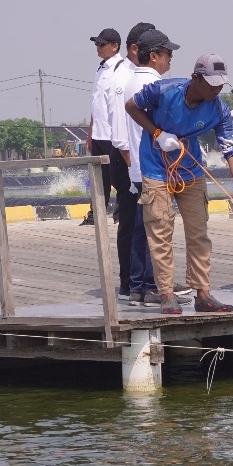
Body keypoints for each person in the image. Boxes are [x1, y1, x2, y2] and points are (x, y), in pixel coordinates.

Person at [125, 52, 233, 314]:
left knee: (198, 233)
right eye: (212, 82)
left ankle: (203, 293)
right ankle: (166, 294)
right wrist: (157, 133)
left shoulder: (218, 108)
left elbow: (231, 148)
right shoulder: (163, 91)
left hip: (191, 170)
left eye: (221, 83)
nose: (217, 88)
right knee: (161, 232)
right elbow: (131, 106)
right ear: (196, 77)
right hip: (156, 168)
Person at [112, 25, 174, 307]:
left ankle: (137, 287)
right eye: (167, 53)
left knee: (140, 228)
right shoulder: (155, 86)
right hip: (153, 167)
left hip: (135, 168)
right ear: (155, 56)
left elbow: (121, 136)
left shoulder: (128, 82)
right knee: (157, 230)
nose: (170, 59)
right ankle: (151, 286)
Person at [104, 22, 155, 298]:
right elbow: (121, 134)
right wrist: (135, 169)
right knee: (133, 223)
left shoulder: (136, 73)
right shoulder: (122, 78)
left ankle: (146, 278)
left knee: (144, 223)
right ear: (135, 48)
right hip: (127, 158)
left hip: (136, 157)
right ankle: (132, 282)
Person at [83, 27, 126, 225]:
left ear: (115, 46)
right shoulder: (101, 69)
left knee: (118, 176)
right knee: (99, 178)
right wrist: (90, 133)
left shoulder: (121, 69)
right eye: (96, 44)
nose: (97, 48)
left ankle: (121, 212)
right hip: (99, 133)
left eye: (101, 44)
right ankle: (95, 214)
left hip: (113, 133)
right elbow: (96, 104)